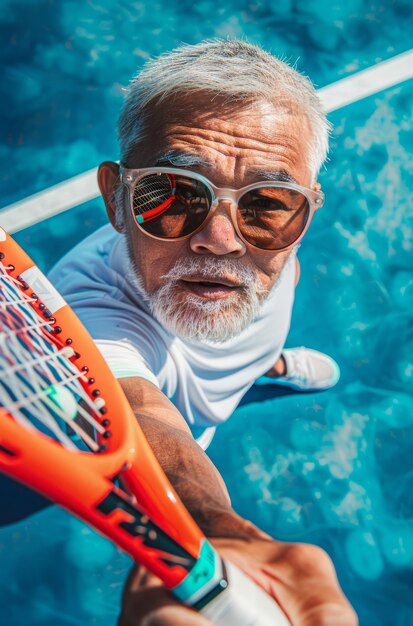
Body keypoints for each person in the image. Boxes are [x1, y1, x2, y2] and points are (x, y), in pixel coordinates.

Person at [49, 39, 356, 625]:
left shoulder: (279, 247)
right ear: (116, 196)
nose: (222, 240)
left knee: (237, 320)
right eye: (178, 193)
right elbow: (143, 413)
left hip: (228, 357)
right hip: (161, 419)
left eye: (268, 202)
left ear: (306, 210)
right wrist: (218, 531)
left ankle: (265, 366)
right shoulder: (88, 316)